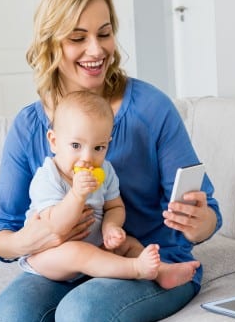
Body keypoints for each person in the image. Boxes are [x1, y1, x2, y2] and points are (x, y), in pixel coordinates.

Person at [0, 0, 222, 322]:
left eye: (104, 33)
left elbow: (209, 213)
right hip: (68, 266)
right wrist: (31, 240)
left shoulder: (151, 109)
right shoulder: (30, 127)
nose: (96, 50)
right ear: (50, 44)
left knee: (81, 315)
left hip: (152, 259)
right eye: (78, 38)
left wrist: (199, 221)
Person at [19, 90, 199, 288]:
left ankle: (162, 272)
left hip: (95, 248)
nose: (87, 157)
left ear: (108, 144)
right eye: (76, 145)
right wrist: (77, 195)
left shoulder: (105, 170)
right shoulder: (47, 177)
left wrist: (111, 228)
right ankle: (137, 269)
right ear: (54, 141)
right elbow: (55, 227)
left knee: (128, 243)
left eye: (98, 148)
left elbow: (115, 207)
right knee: (78, 252)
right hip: (50, 256)